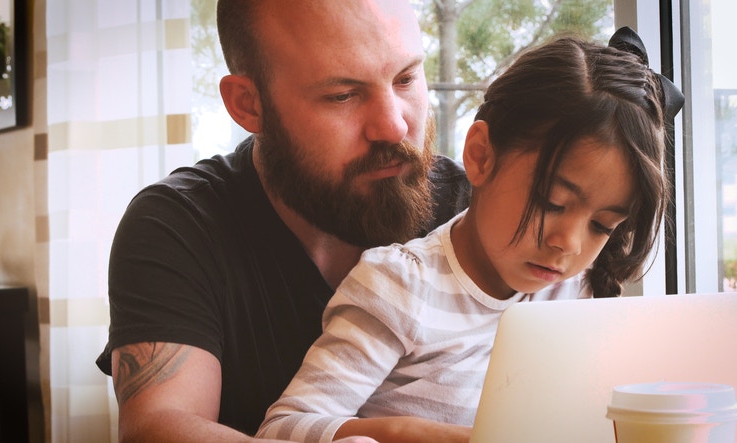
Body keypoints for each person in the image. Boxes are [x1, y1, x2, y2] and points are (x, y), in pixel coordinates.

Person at [255, 27, 685, 443]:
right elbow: (281, 429)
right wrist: (405, 433)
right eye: (552, 203)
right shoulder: (400, 288)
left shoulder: (575, 292)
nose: (569, 244)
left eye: (601, 226)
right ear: (480, 155)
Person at [94, 0, 471, 442]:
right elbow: (157, 428)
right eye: (342, 95)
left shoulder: (472, 212)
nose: (392, 126)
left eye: (406, 78)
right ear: (248, 104)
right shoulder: (179, 225)